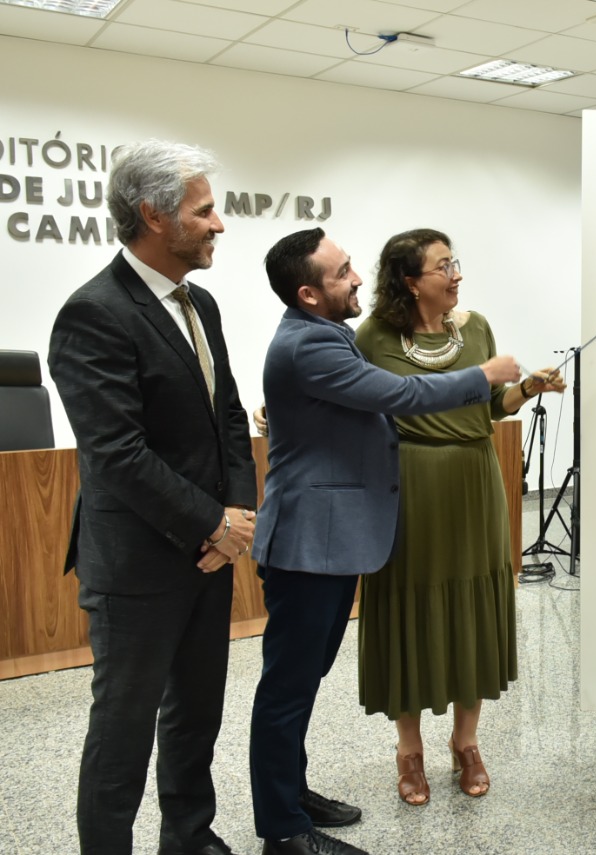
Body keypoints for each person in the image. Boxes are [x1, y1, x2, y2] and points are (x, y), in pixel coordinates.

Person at [248, 227, 521, 855]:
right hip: (309, 544)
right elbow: (400, 393)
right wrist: (481, 376)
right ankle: (283, 831)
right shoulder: (313, 345)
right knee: (287, 689)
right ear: (309, 293)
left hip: (337, 539)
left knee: (302, 681)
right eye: (343, 272)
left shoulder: (325, 334)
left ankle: (293, 792)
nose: (356, 279)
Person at [47, 140, 257, 855]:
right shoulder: (94, 313)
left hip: (209, 555)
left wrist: (237, 518)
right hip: (138, 563)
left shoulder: (203, 306)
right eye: (203, 211)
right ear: (153, 216)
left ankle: (189, 836)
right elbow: (117, 454)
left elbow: (228, 415)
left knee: (196, 714)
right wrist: (210, 521)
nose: (218, 224)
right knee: (123, 732)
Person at [353, 229, 564, 806]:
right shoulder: (373, 335)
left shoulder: (475, 327)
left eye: (456, 262)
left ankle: (467, 743)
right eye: (444, 266)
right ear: (409, 280)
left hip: (475, 479)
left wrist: (526, 388)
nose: (456, 275)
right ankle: (409, 750)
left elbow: (492, 405)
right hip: (409, 484)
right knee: (407, 605)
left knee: (474, 601)